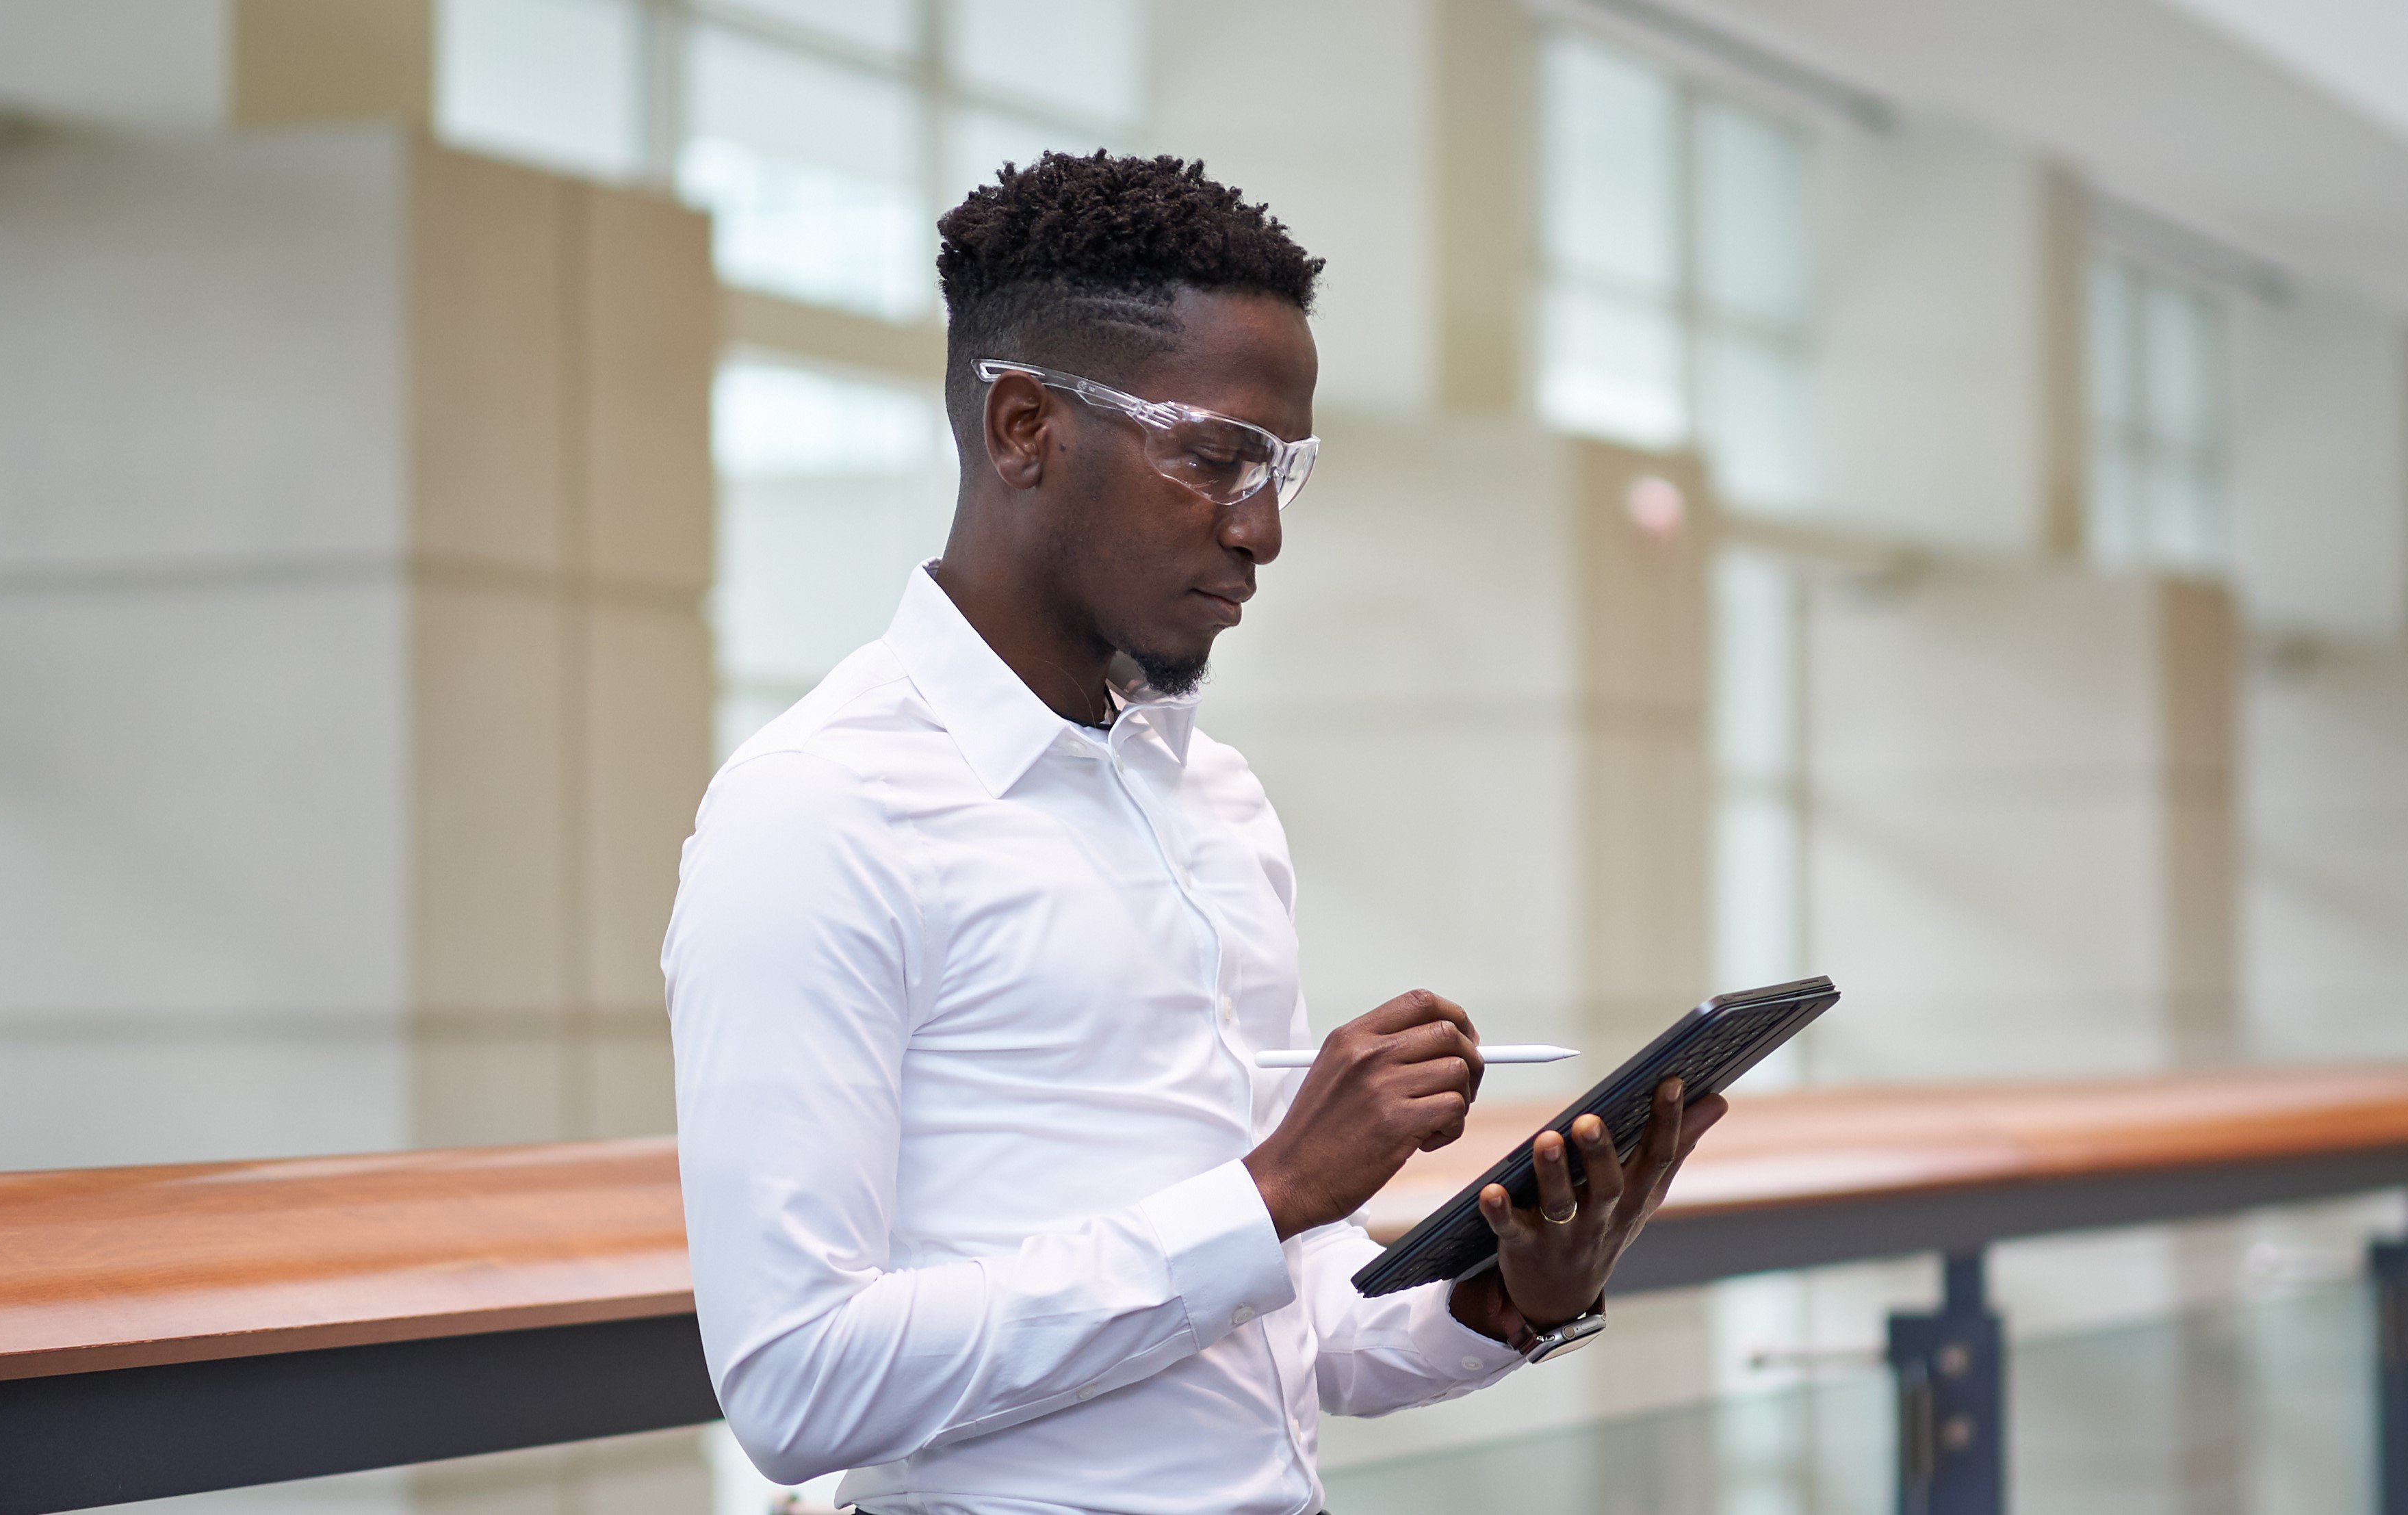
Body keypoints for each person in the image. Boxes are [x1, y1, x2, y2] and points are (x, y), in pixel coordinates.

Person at [664, 151, 1729, 1515]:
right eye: (1217, 457)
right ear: (1025, 430)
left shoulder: (1211, 802)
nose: (1264, 530)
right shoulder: (820, 813)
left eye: (1285, 467)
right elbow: (800, 1386)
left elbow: (1289, 1328)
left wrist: (1512, 1297)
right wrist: (1273, 1188)